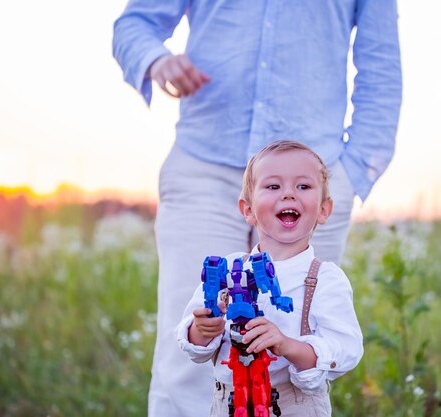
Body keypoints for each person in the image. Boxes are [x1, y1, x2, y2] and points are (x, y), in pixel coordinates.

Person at [112, 2, 401, 416]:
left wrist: (352, 171)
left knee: (297, 342)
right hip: (205, 164)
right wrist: (155, 60)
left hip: (310, 175)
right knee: (190, 356)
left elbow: (381, 64)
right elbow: (135, 22)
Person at [177, 140, 363, 417]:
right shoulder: (228, 269)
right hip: (229, 403)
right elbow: (194, 345)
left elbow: (345, 350)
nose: (288, 194)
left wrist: (287, 345)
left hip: (294, 405)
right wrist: (203, 329)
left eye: (303, 186)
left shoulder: (324, 279)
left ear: (324, 209)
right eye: (273, 186)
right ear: (248, 209)